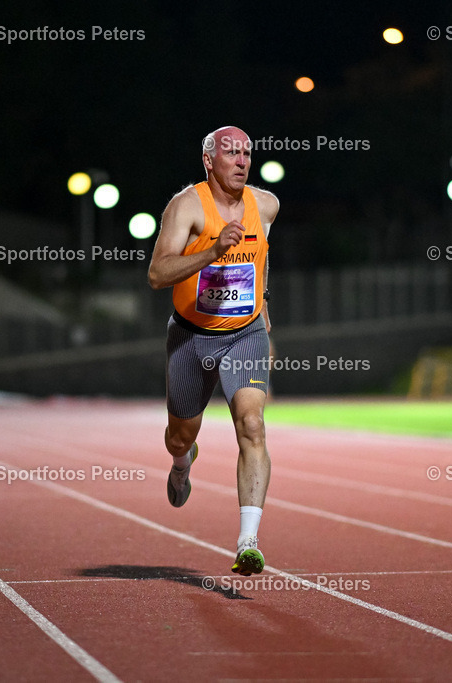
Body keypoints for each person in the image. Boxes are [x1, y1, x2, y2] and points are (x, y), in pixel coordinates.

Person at [147, 125, 279, 577]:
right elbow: (157, 274)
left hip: (244, 335)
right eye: (231, 153)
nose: (242, 161)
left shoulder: (266, 206)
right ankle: (183, 463)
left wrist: (263, 311)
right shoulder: (186, 207)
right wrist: (210, 251)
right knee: (179, 435)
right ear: (209, 161)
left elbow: (261, 262)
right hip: (191, 336)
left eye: (247, 152)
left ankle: (248, 541)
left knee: (252, 424)